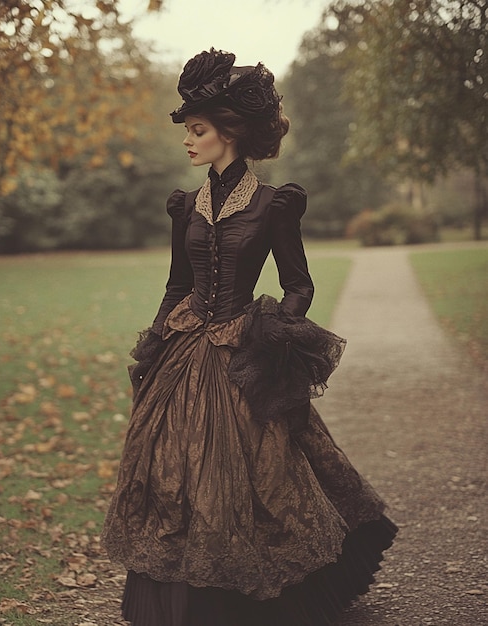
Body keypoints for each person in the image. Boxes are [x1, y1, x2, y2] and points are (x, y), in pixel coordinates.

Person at [102, 48, 397, 626]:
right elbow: (176, 283)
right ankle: (176, 601)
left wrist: (274, 331)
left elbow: (299, 285)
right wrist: (157, 340)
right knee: (170, 474)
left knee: (260, 476)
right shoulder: (184, 205)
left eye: (198, 130)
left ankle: (248, 602)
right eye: (188, 131)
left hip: (242, 353)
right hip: (185, 353)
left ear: (228, 133)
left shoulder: (272, 206)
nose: (189, 141)